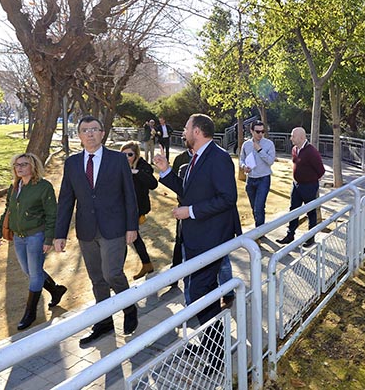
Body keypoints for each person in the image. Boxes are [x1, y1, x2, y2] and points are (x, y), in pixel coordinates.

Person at [152, 113, 241, 356]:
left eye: (186, 127)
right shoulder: (194, 159)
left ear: (198, 132)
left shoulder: (219, 158)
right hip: (194, 238)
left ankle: (216, 354)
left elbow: (227, 198)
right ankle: (210, 346)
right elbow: (188, 192)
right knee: (201, 295)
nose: (182, 131)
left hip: (210, 239)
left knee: (202, 294)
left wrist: (189, 211)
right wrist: (167, 171)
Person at [54, 116, 140, 348]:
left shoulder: (117, 159)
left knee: (112, 273)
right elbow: (65, 200)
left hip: (115, 228)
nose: (90, 133)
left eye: (94, 129)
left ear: (102, 133)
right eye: (85, 130)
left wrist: (132, 226)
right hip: (86, 230)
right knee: (97, 279)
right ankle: (104, 323)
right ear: (79, 135)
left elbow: (129, 195)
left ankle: (129, 307)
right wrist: (59, 234)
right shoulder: (71, 163)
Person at [0, 153, 67, 331]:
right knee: (29, 271)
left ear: (33, 167)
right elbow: (8, 211)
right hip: (19, 237)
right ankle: (56, 289)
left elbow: (52, 214)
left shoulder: (43, 187)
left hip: (37, 236)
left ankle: (30, 313)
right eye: (17, 165)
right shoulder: (14, 187)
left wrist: (49, 239)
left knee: (34, 275)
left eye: (24, 164)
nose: (19, 168)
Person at [275, 127, 325, 247]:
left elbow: (321, 170)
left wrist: (311, 180)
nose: (291, 138)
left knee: (310, 212)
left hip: (309, 186)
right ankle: (290, 235)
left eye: (293, 136)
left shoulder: (311, 151)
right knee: (293, 210)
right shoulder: (294, 149)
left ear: (302, 137)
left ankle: (310, 237)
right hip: (296, 185)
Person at [121, 141, 158, 280]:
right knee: (132, 237)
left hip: (137, 208)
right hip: (122, 208)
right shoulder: (119, 166)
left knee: (125, 238)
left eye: (129, 155)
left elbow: (153, 184)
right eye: (123, 154)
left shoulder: (143, 167)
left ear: (136, 155)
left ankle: (116, 273)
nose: (126, 158)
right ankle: (146, 263)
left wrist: (135, 172)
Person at [239, 120, 276, 229]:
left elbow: (270, 161)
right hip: (250, 180)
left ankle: (259, 233)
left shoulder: (269, 144)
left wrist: (260, 150)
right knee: (254, 207)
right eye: (257, 131)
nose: (260, 134)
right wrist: (244, 166)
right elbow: (241, 160)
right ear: (251, 131)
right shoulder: (246, 145)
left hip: (264, 179)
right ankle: (260, 229)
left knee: (259, 207)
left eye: (262, 131)